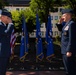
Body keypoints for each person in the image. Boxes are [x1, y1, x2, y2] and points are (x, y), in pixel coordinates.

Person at [56, 8, 76, 75]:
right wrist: (59, 22)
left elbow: (72, 38)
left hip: (68, 51)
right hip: (64, 50)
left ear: (68, 15)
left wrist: (69, 50)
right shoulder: (66, 24)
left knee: (70, 69)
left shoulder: (71, 24)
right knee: (67, 69)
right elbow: (61, 30)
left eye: (63, 15)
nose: (62, 17)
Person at [0, 9, 14, 75]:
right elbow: (7, 33)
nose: (9, 19)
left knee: (3, 70)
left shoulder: (4, 26)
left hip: (4, 53)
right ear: (2, 17)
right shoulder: (0, 25)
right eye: (8, 17)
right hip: (2, 53)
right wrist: (10, 24)